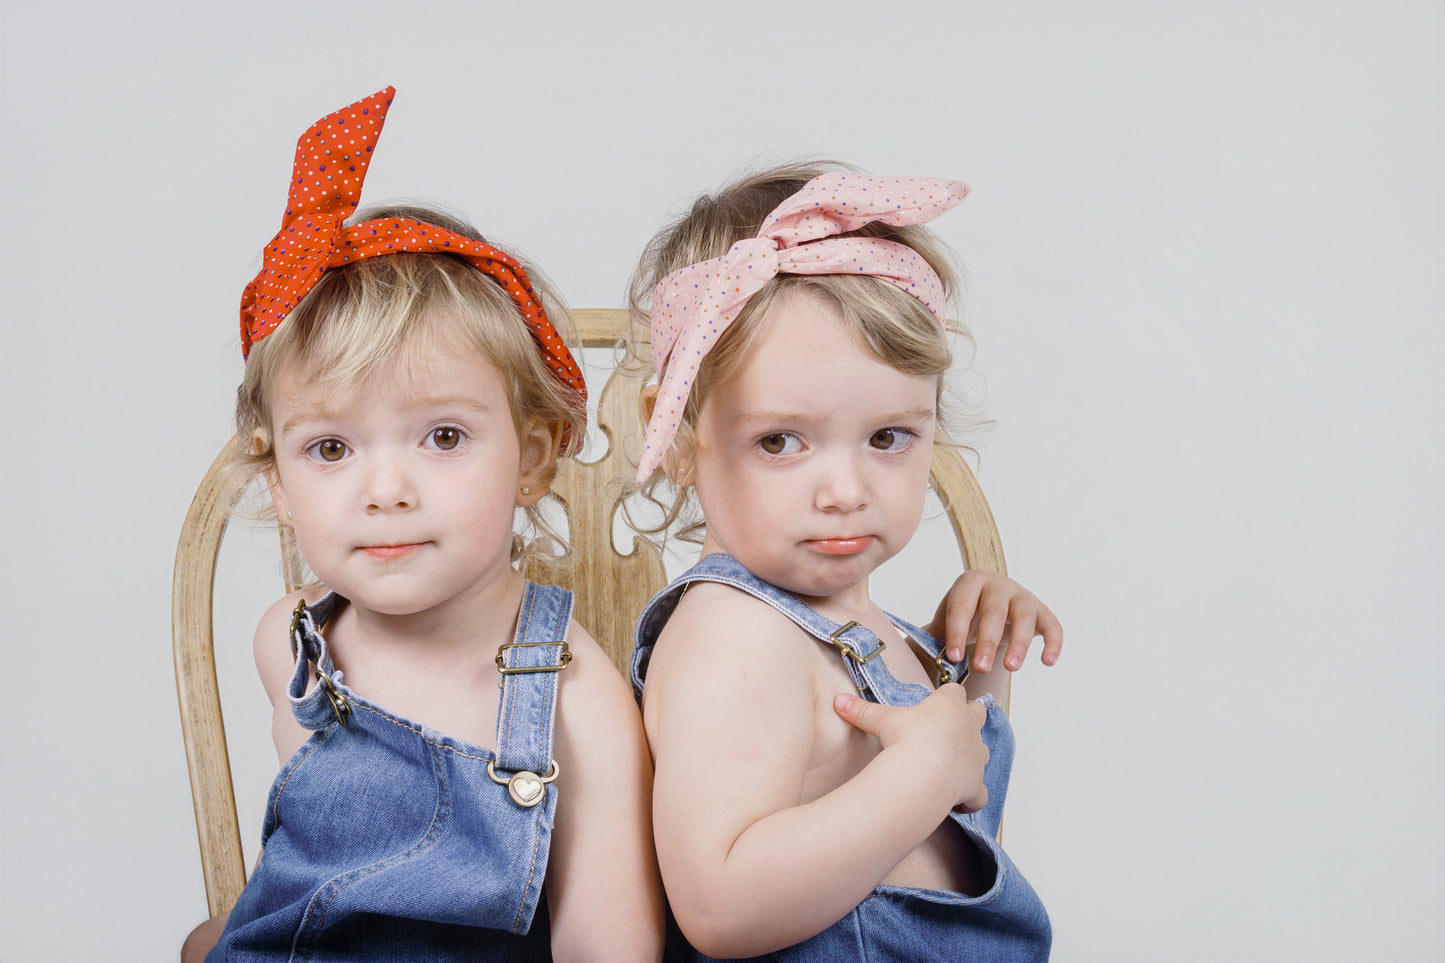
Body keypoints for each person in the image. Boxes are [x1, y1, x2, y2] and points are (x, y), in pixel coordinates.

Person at [186, 87, 662, 961]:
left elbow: (608, 943)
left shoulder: (572, 696)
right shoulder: (290, 641)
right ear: (279, 482)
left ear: (532, 457)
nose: (385, 489)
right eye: (329, 448)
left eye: (442, 436)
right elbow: (314, 883)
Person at [628, 163, 1059, 960]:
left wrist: (970, 670)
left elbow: (938, 837)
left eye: (888, 437)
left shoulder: (846, 623)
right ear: (682, 434)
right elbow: (720, 905)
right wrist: (924, 772)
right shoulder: (734, 635)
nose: (845, 490)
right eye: (780, 441)